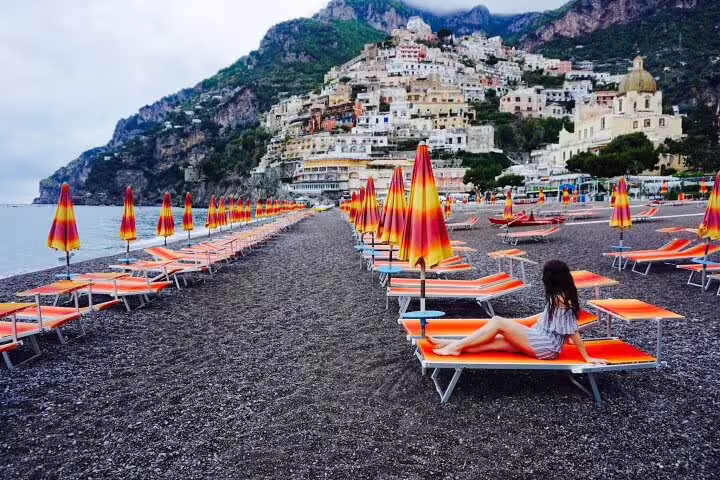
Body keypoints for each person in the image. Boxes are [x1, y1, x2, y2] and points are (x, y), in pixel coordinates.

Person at [430, 260, 607, 365]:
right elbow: (546, 319)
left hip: (545, 346)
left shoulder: (560, 299)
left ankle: (454, 345)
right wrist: (520, 323)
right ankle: (450, 344)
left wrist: (587, 357)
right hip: (541, 339)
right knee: (495, 343)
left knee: (498, 321)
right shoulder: (563, 295)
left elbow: (572, 331)